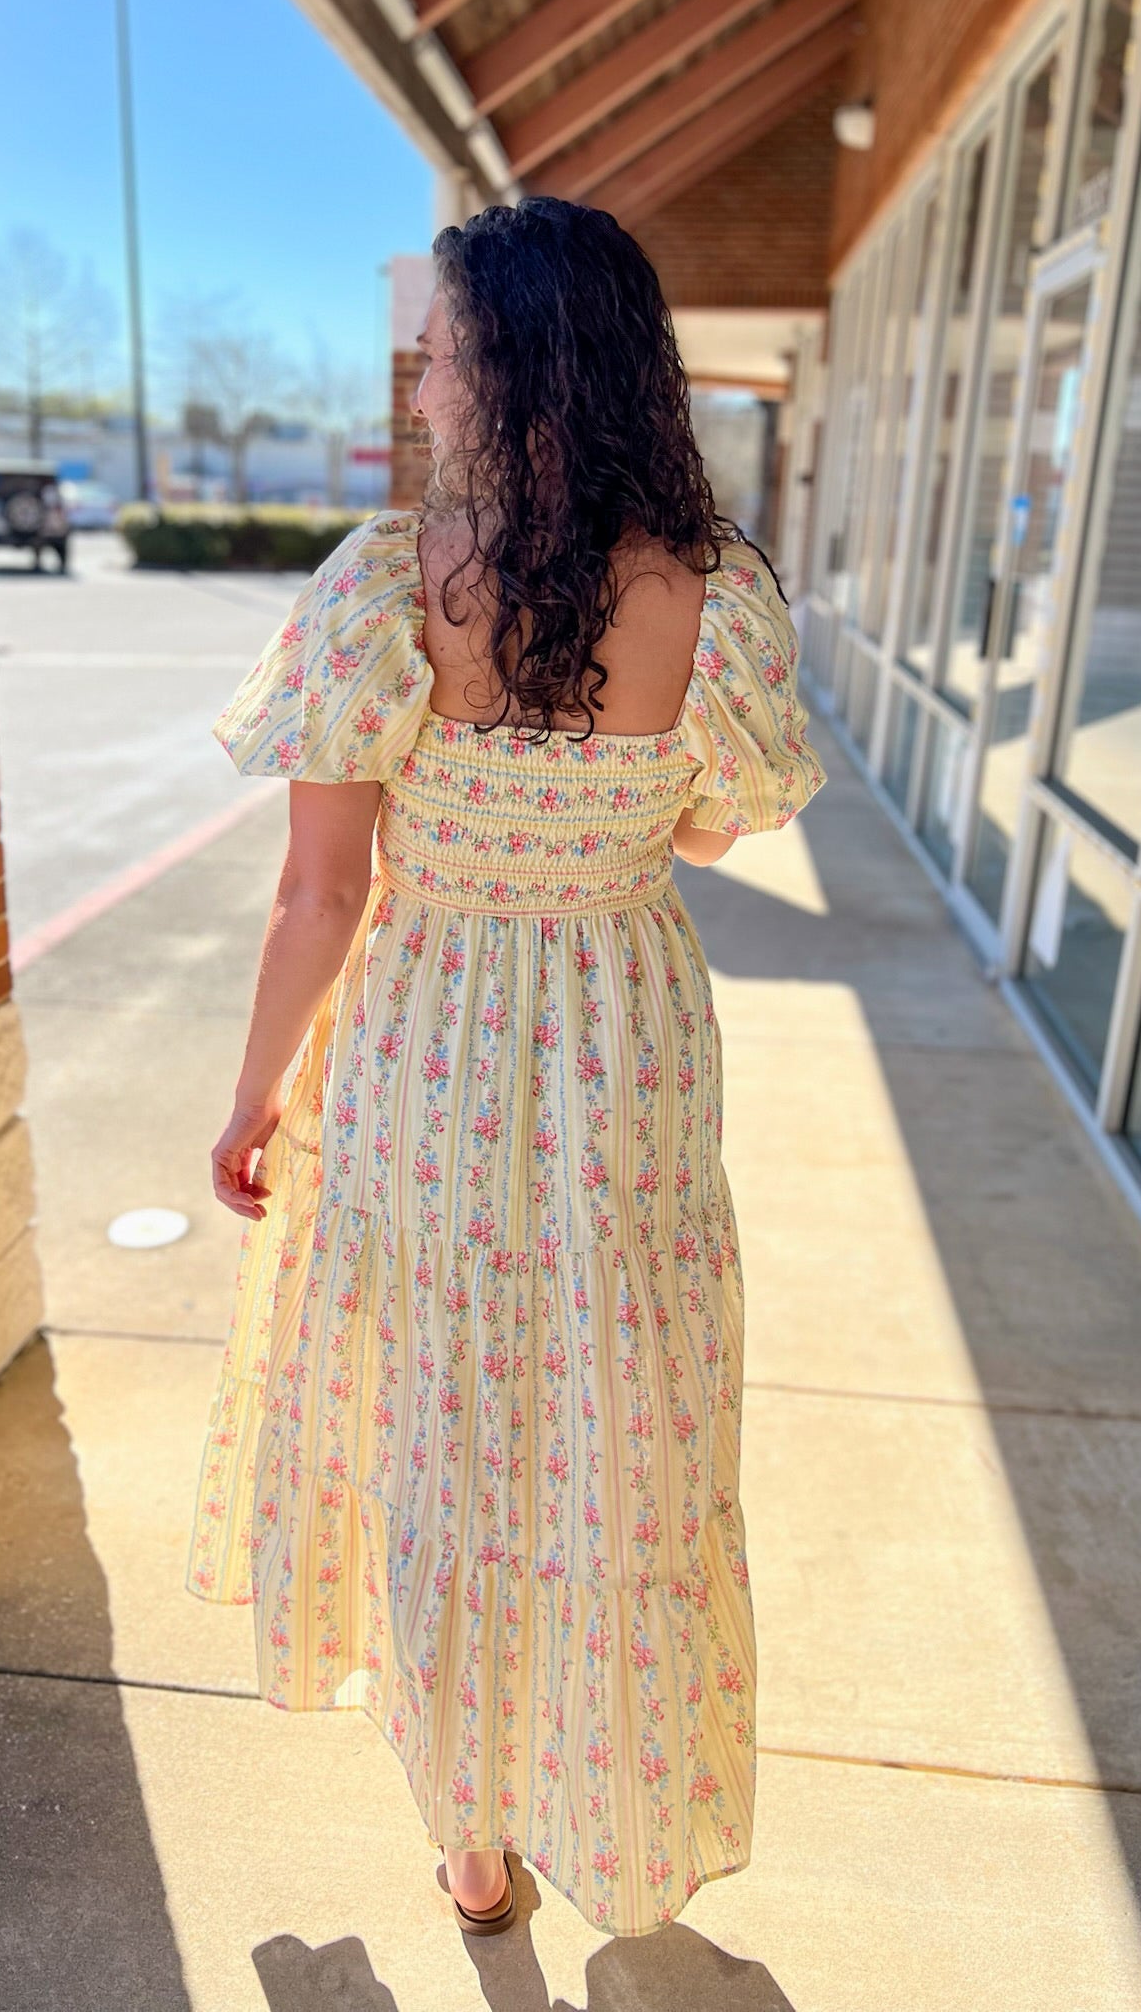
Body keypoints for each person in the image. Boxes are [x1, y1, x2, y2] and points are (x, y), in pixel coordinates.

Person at [185, 196, 826, 1940]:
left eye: (446, 341)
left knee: (447, 1429)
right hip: (623, 1050)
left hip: (426, 1045)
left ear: (505, 364)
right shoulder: (719, 596)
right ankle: (606, 1806)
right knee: (620, 1434)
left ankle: (473, 1842)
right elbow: (721, 825)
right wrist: (591, 835)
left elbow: (319, 895)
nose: (427, 369)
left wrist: (254, 1100)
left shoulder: (389, 585)